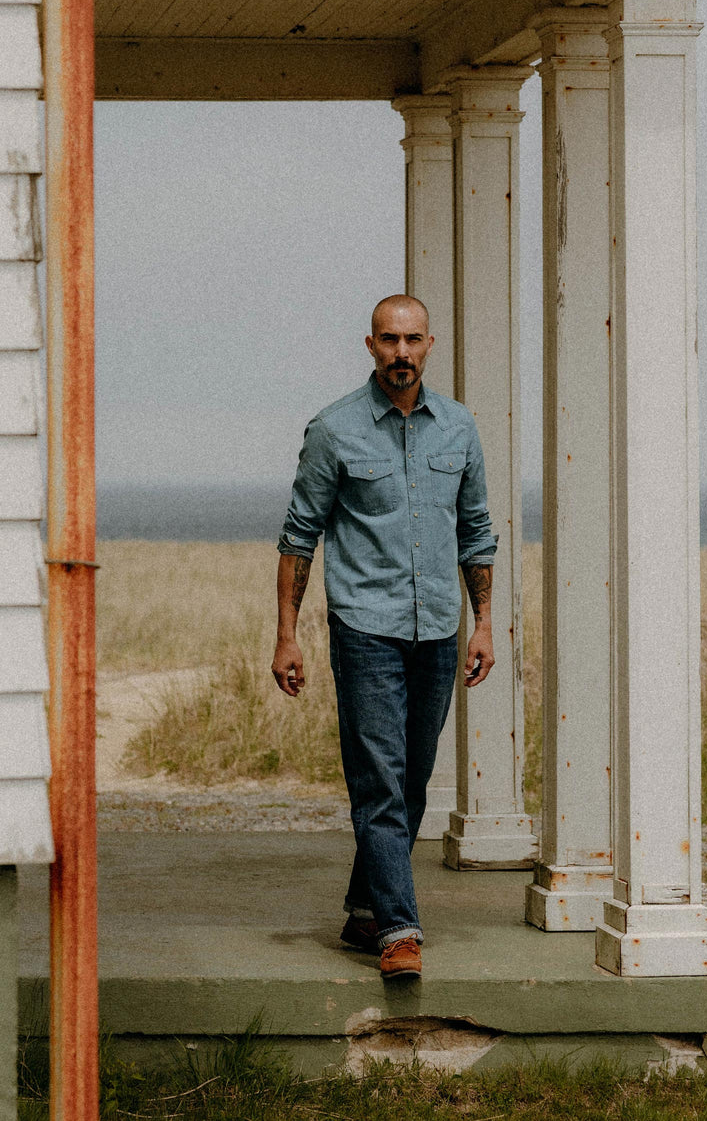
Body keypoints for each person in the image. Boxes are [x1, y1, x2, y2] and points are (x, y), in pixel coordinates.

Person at [272, 294, 497, 979]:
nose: (402, 353)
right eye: (389, 341)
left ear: (431, 345)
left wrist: (483, 622)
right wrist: (287, 635)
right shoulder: (335, 430)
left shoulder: (458, 428)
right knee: (380, 783)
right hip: (365, 629)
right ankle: (400, 932)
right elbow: (298, 536)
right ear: (369, 345)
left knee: (414, 777)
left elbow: (477, 530)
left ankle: (366, 908)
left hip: (437, 628)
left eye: (413, 340)